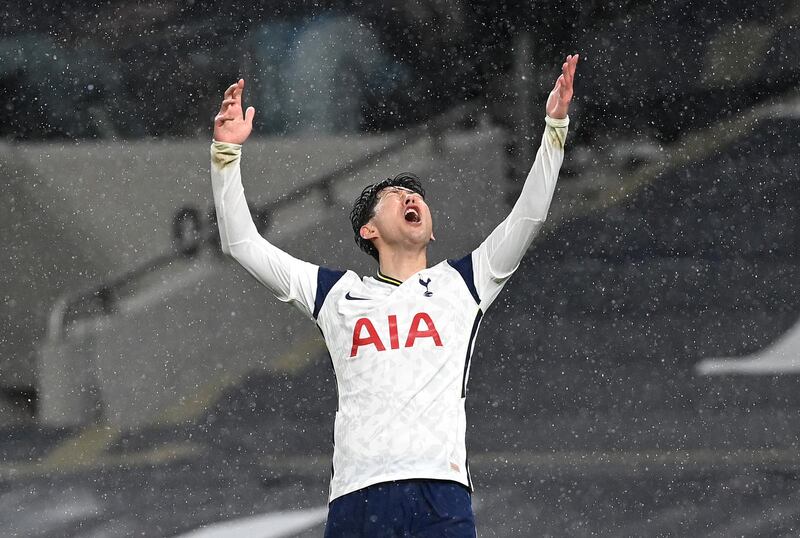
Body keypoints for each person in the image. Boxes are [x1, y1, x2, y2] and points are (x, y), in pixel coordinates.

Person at [210, 54, 579, 537]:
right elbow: (241, 243)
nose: (411, 199)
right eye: (396, 196)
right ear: (369, 228)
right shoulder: (335, 294)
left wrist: (554, 128)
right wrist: (225, 155)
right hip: (358, 495)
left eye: (417, 196)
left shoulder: (464, 283)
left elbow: (528, 217)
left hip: (439, 491)